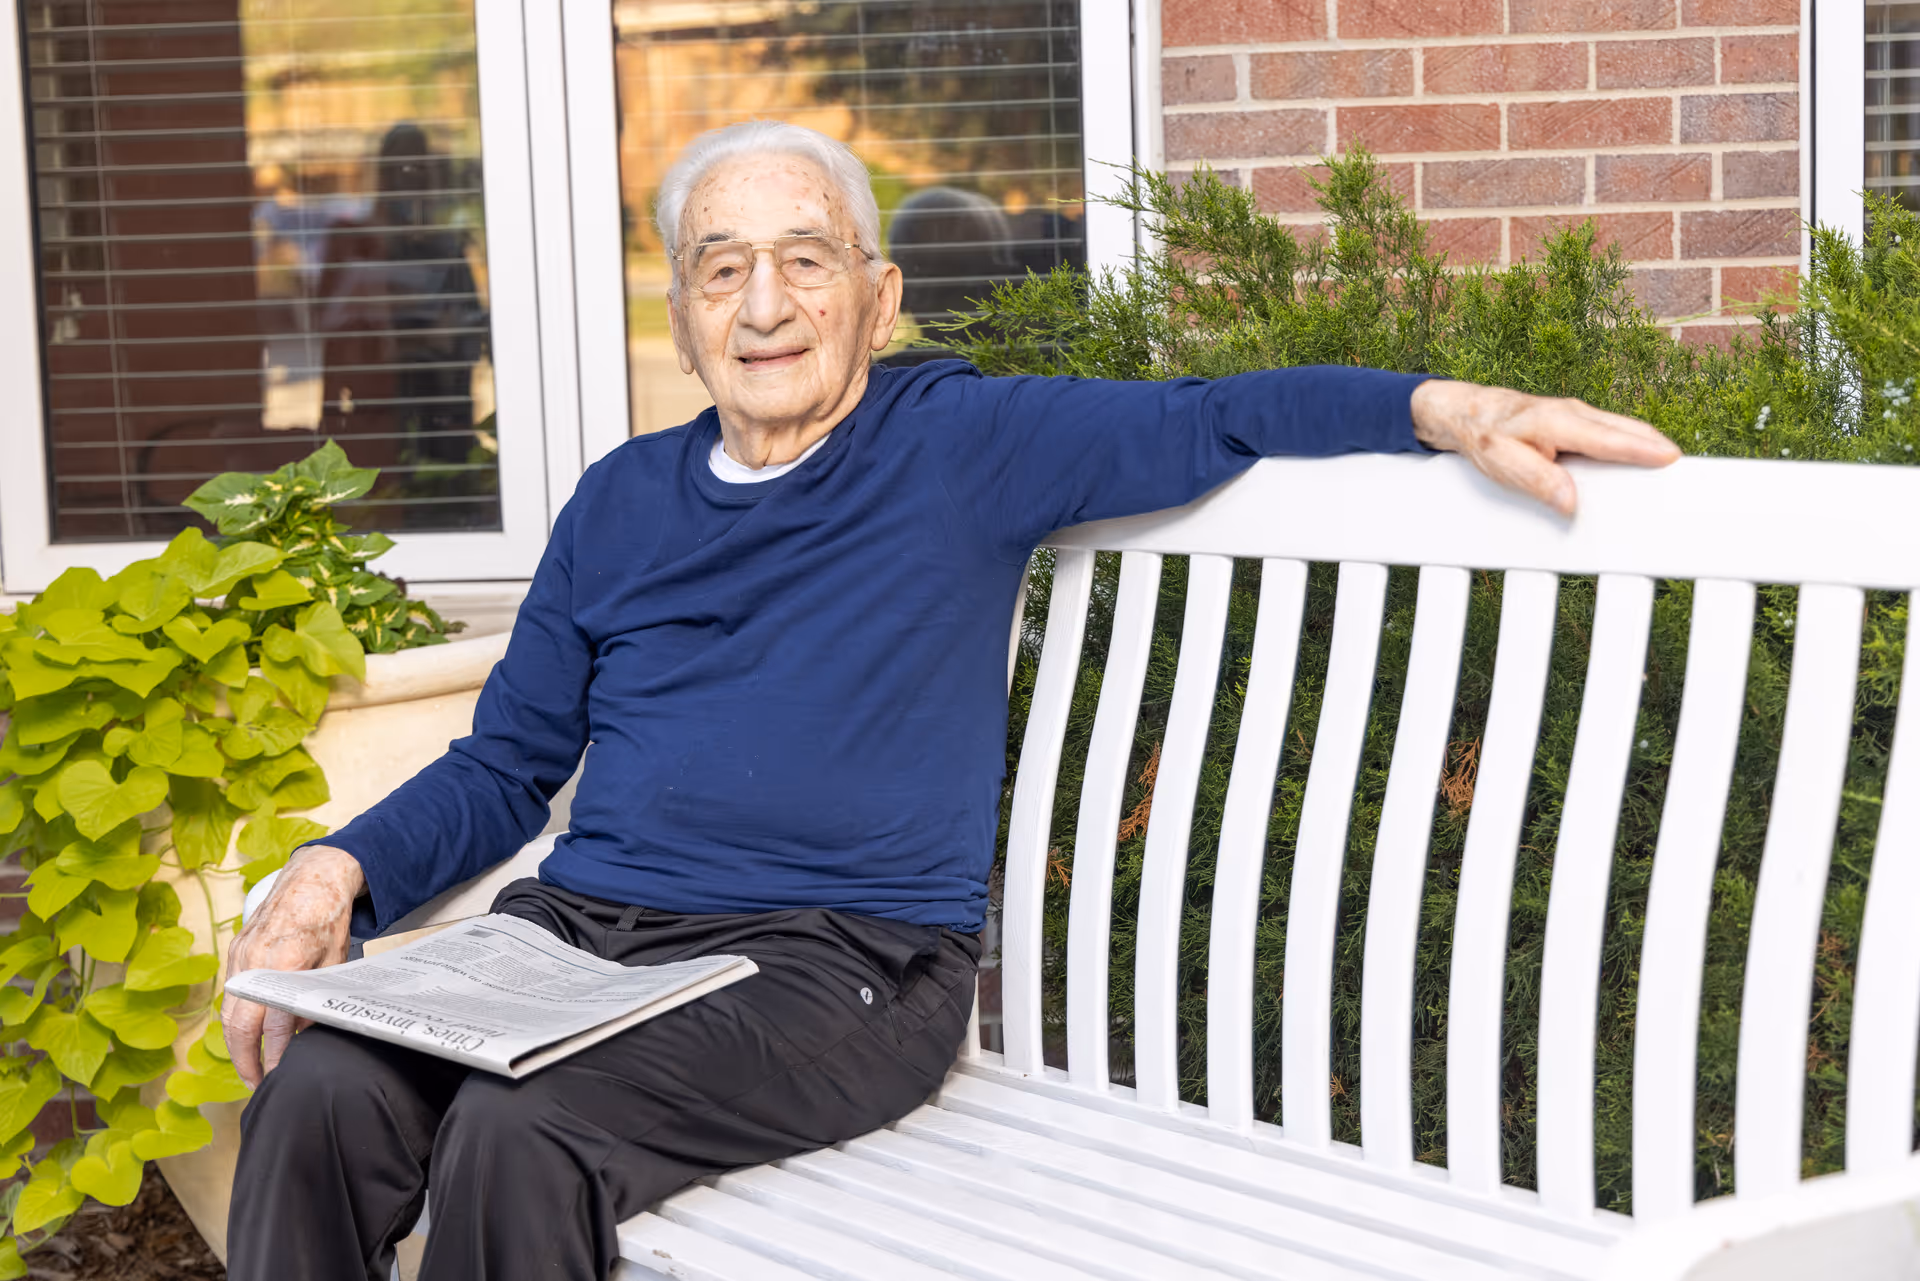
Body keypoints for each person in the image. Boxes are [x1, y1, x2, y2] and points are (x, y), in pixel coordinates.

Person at [223, 121, 1679, 1281]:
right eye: (722, 268)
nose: (768, 302)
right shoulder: (621, 502)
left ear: (881, 294)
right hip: (586, 944)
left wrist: (1441, 406)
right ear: (680, 311)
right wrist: (337, 863)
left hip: (835, 962)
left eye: (806, 257)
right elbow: (505, 765)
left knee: (518, 1136)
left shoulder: (960, 441)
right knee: (324, 1094)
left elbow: (1214, 412)